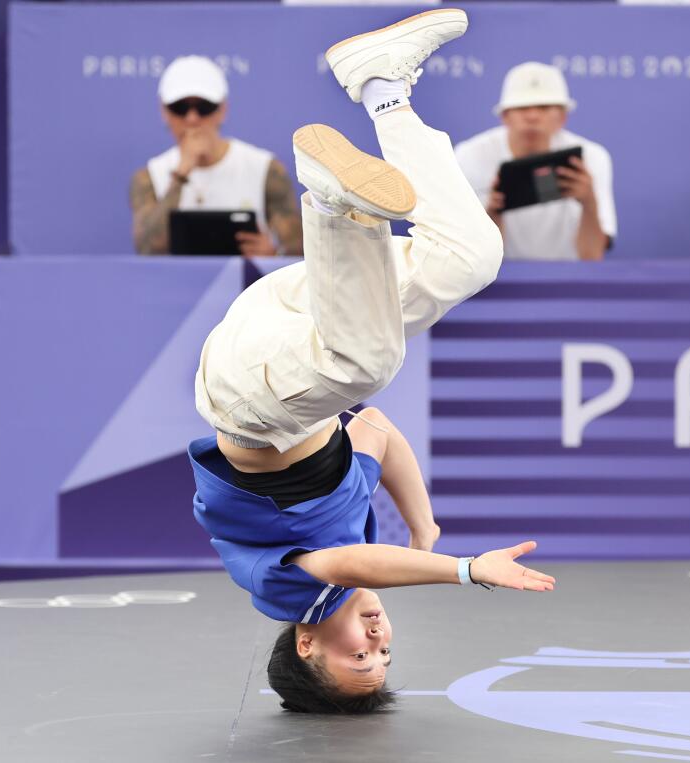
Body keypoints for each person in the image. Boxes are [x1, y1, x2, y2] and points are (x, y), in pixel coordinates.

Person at [187, 9, 554, 715]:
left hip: (249, 394)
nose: (378, 640)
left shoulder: (285, 592)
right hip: (298, 330)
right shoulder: (350, 521)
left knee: (368, 362)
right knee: (471, 257)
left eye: (359, 655)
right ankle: (383, 87)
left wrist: (464, 569)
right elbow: (379, 432)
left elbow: (351, 566)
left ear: (305, 644)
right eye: (384, 656)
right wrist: (423, 526)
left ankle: (329, 204)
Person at [129, 55, 304, 257]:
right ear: (164, 112)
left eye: (204, 107)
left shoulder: (264, 168)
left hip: (248, 287)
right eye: (180, 108)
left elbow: (299, 249)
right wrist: (181, 173)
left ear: (222, 110)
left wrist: (273, 253)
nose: (192, 119)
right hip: (174, 286)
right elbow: (148, 248)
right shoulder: (150, 176)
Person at [454, 62, 616, 261]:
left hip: (569, 280)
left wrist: (589, 202)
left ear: (562, 117)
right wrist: (492, 213)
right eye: (522, 107)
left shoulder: (591, 158)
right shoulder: (470, 156)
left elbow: (591, 257)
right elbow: (473, 258)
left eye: (543, 107)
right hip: (495, 282)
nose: (532, 116)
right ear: (505, 116)